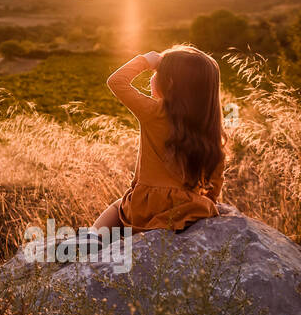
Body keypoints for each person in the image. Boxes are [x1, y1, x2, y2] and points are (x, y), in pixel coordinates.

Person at [93, 45, 225, 232]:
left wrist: (147, 60)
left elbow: (116, 81)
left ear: (169, 83)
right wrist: (208, 202)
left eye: (157, 72)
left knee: (117, 206)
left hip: (145, 208)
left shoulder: (155, 113)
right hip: (188, 209)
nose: (152, 76)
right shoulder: (210, 126)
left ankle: (91, 237)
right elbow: (216, 178)